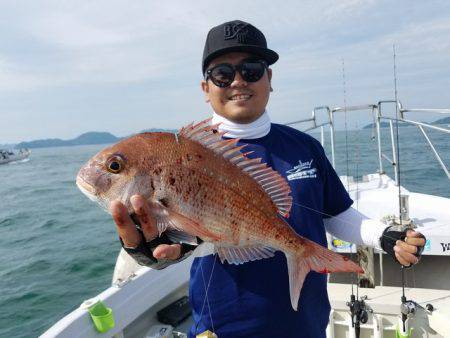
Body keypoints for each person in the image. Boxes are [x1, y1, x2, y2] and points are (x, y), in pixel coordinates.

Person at [110, 20, 426, 338]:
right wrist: (151, 250)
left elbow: (336, 212)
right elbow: (192, 240)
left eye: (251, 69)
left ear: (269, 78)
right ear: (206, 88)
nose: (237, 81)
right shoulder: (184, 158)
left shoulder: (305, 147)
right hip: (223, 327)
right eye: (222, 73)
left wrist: (383, 235)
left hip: (307, 321)